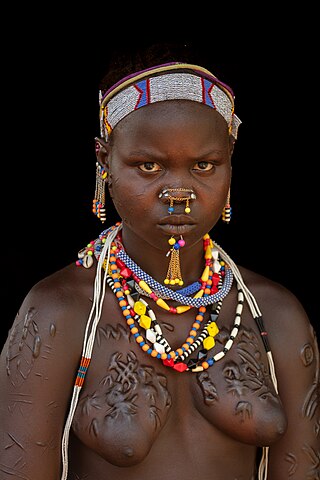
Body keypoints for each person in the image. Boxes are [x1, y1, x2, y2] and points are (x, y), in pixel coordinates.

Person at [0, 43, 319, 480]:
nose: (179, 194)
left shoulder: (275, 314)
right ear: (104, 161)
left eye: (205, 165)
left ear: (230, 163)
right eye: (148, 166)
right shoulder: (61, 312)